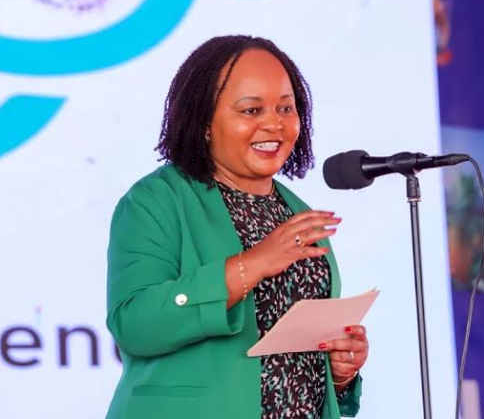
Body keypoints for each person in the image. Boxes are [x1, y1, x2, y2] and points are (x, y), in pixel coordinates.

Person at [105, 35, 369, 419]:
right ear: (204, 122)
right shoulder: (156, 200)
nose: (274, 124)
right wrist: (251, 265)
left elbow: (292, 364)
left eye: (286, 108)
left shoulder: (296, 212)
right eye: (251, 110)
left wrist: (340, 373)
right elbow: (134, 326)